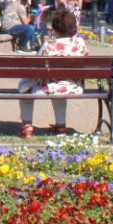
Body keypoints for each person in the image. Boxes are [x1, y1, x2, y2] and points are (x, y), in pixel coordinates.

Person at [17, 7, 87, 137]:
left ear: (54, 28)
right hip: (74, 87)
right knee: (60, 84)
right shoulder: (81, 43)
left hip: (48, 88)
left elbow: (35, 69)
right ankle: (60, 126)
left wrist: (24, 85)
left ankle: (27, 126)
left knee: (26, 87)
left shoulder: (48, 45)